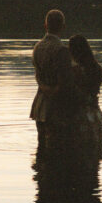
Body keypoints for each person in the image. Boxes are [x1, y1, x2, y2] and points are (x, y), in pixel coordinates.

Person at [30, 9, 74, 151]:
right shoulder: (62, 50)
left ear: (45, 25)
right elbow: (65, 82)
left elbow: (37, 76)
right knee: (58, 147)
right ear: (63, 27)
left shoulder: (37, 47)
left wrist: (44, 88)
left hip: (40, 104)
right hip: (57, 107)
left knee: (42, 145)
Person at [68, 34, 102, 157]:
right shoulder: (97, 68)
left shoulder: (75, 70)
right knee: (95, 149)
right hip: (95, 113)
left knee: (79, 152)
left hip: (79, 115)